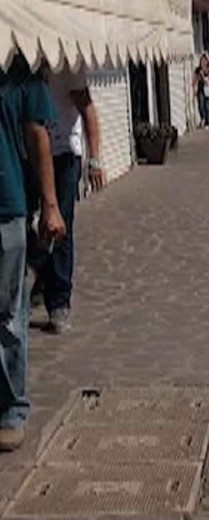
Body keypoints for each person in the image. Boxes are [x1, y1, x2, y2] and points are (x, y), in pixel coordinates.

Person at [0, 53, 66, 452]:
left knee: (8, 312)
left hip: (6, 204)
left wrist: (51, 204)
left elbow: (38, 134)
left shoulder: (18, 65)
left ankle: (10, 409)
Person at [31, 62, 104, 334]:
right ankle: (41, 274)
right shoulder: (24, 62)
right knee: (29, 223)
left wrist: (95, 160)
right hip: (32, 153)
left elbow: (88, 110)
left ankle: (59, 301)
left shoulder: (67, 67)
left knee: (60, 227)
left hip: (63, 155)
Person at [193, 52, 209, 129]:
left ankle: (207, 122)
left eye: (205, 60)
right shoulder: (198, 70)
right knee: (201, 106)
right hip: (201, 90)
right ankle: (202, 118)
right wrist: (195, 85)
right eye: (202, 60)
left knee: (207, 107)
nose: (203, 62)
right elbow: (194, 80)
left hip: (208, 90)